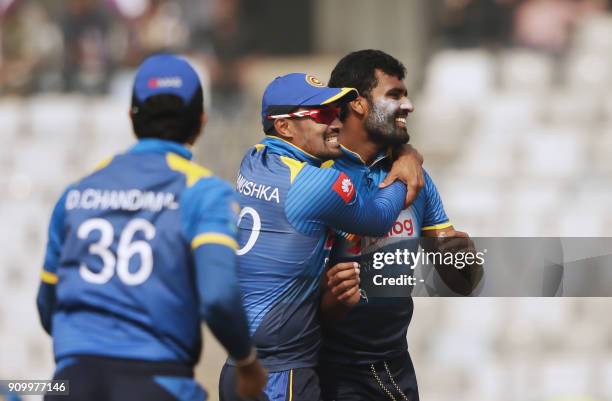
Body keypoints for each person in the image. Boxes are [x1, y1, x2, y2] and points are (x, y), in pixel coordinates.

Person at [36, 54, 266, 401]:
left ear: (131, 117)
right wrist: (248, 362)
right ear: (200, 121)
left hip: (68, 383)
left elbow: (46, 304)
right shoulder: (204, 192)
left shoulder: (76, 193)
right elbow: (218, 298)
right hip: (158, 380)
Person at [219, 72, 425, 401]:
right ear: (284, 126)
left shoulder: (253, 160)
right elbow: (379, 216)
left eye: (335, 113)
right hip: (281, 375)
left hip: (238, 369)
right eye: (321, 115)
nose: (336, 124)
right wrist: (407, 164)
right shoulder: (315, 186)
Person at [319, 49, 481, 401]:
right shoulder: (316, 176)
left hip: (393, 366)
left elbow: (461, 281)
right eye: (394, 95)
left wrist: (463, 259)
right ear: (358, 103)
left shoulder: (415, 178)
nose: (408, 105)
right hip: (325, 368)